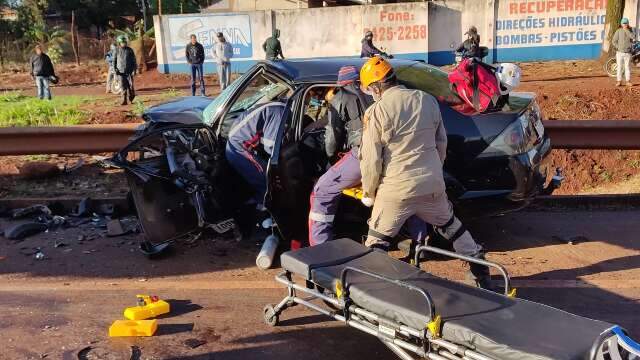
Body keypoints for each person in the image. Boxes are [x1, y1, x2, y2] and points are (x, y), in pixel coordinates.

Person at [358, 56, 492, 289]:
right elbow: (441, 142)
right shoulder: (426, 100)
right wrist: (434, 172)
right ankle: (481, 272)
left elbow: (371, 160)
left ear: (377, 86)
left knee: (377, 240)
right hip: (431, 184)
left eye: (370, 89)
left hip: (396, 190)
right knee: (451, 225)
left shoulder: (376, 112)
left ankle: (376, 289)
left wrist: (369, 192)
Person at [309, 66, 427, 246]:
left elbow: (332, 141)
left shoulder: (339, 98)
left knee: (322, 190)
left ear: (340, 83)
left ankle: (321, 246)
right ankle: (420, 242)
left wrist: (330, 158)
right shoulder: (386, 94)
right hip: (395, 154)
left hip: (363, 155)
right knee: (406, 191)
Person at [225, 102, 286, 206]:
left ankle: (259, 205)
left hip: (240, 144)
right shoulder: (280, 112)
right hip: (239, 148)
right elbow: (270, 146)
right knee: (266, 182)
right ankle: (264, 213)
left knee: (265, 179)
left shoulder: (278, 106)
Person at [113, 35, 137, 105]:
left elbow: (134, 61)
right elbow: (114, 61)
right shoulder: (116, 50)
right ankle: (124, 100)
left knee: (130, 86)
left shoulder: (129, 50)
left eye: (125, 42)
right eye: (122, 42)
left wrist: (134, 70)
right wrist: (115, 70)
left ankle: (131, 99)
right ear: (119, 43)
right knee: (123, 86)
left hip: (129, 71)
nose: (124, 43)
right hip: (120, 72)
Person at [612, 18, 635, 87]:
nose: (625, 24)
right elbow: (614, 41)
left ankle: (628, 81)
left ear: (628, 24)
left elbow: (633, 37)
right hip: (619, 53)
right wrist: (618, 47)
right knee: (619, 67)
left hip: (628, 53)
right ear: (621, 24)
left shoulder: (630, 31)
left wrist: (627, 31)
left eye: (626, 23)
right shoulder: (618, 31)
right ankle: (619, 81)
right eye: (623, 23)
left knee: (627, 67)